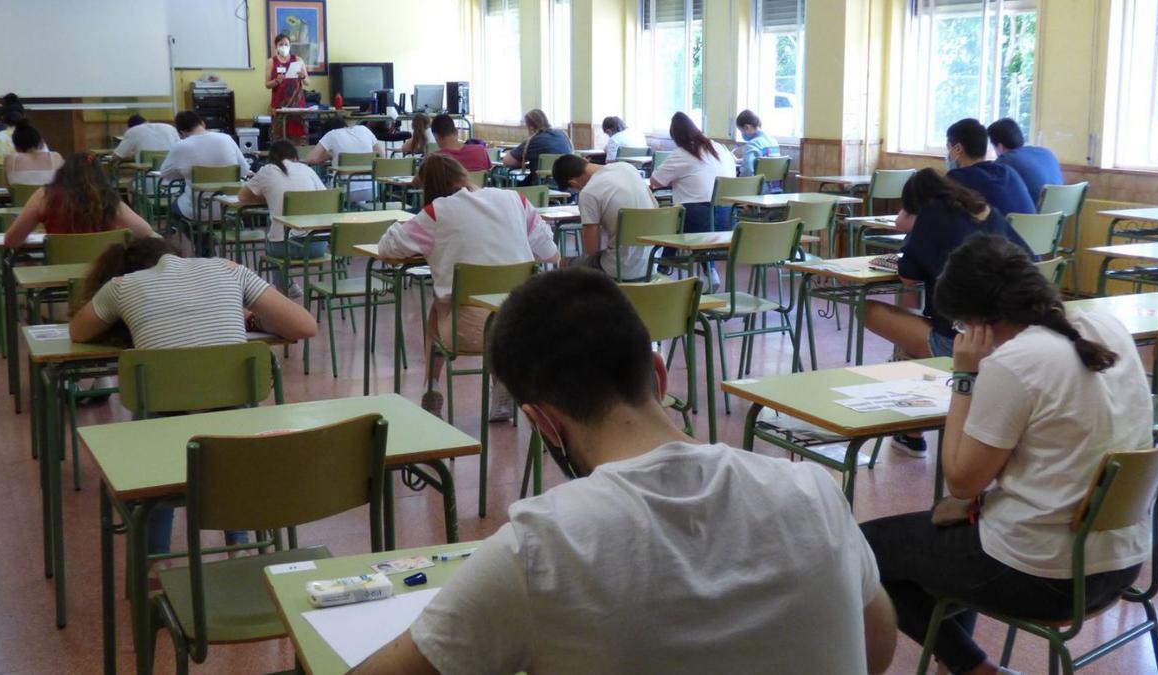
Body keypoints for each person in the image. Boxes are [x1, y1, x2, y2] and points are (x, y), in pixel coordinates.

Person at [351, 268, 897, 675]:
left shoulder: (538, 550)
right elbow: (877, 643)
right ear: (657, 373)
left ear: (541, 422)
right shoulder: (813, 491)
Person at [861, 234, 1151, 675]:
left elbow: (961, 480)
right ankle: (960, 665)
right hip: (1125, 560)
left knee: (865, 549)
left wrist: (964, 375)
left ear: (977, 321)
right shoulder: (1103, 326)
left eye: (960, 326)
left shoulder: (1012, 363)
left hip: (1046, 575)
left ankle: (975, 668)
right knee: (955, 528)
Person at [69, 237, 316, 555]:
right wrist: (248, 316)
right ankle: (238, 546)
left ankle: (154, 563)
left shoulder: (120, 286)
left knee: (153, 424)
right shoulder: (228, 269)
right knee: (228, 423)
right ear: (179, 256)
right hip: (237, 431)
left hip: (162, 432)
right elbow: (305, 326)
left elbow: (77, 332)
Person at [863, 168, 1032, 456]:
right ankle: (912, 429)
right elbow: (1031, 259)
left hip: (966, 342)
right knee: (917, 325)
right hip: (1010, 337)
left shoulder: (931, 216)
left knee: (869, 310)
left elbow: (907, 277)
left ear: (914, 204)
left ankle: (911, 429)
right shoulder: (987, 211)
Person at [377, 154, 559, 420]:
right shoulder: (515, 200)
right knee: (500, 303)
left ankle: (431, 384)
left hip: (467, 332)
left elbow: (388, 247)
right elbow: (549, 252)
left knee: (440, 308)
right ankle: (502, 386)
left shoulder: (436, 212)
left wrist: (400, 224)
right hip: (525, 327)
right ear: (463, 175)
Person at [4, 153, 155, 248]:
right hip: (103, 274)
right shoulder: (108, 199)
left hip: (59, 271)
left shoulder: (45, 195)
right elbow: (146, 232)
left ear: (63, 172)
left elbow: (12, 240)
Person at [237, 139, 328, 297]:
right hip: (317, 245)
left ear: (272, 157)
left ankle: (284, 288)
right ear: (295, 157)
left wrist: (268, 197)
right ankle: (288, 287)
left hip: (284, 247)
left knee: (273, 238)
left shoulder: (268, 170)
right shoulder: (307, 170)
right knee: (278, 236)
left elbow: (243, 197)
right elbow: (326, 198)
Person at [552, 153, 658, 279]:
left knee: (565, 263)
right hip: (652, 263)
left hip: (618, 268)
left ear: (574, 183)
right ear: (585, 161)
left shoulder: (588, 193)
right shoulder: (628, 168)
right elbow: (655, 206)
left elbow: (592, 251)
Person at [158, 110, 251, 223]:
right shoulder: (226, 138)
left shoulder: (180, 146)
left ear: (182, 133)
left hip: (197, 208)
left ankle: (199, 239)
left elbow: (165, 173)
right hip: (230, 207)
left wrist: (185, 172)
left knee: (173, 208)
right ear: (203, 123)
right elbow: (244, 170)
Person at [945, 118, 1036, 217]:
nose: (948, 154)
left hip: (997, 232)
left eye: (949, 148)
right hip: (1031, 231)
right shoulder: (1007, 171)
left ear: (958, 149)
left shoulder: (956, 179)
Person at [987, 117, 1064, 204]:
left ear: (1000, 146)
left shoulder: (1005, 161)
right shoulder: (1045, 152)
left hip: (1030, 215)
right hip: (1059, 213)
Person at [501, 109, 572, 186]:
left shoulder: (534, 140)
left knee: (508, 183)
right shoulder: (562, 135)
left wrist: (524, 163)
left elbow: (507, 161)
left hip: (541, 186)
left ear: (531, 127)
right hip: (566, 184)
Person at [266, 33, 309, 145]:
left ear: (290, 46)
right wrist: (276, 81)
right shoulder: (271, 62)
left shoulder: (298, 59)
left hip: (297, 106)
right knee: (279, 138)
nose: (284, 46)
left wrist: (302, 76)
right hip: (279, 106)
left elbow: (307, 82)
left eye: (286, 44)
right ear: (276, 47)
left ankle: (297, 160)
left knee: (298, 137)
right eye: (281, 44)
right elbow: (267, 84)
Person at [304, 116, 383, 166]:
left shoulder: (331, 134)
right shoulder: (364, 129)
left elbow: (310, 159)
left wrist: (330, 155)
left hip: (343, 187)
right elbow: (381, 155)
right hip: (371, 187)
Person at [3, 119, 63, 186]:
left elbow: (8, 188)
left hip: (22, 196)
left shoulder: (10, 159)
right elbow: (63, 185)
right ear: (41, 142)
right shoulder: (55, 157)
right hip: (49, 196)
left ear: (16, 147)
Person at [111, 113, 180, 164]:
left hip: (146, 178)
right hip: (173, 179)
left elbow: (116, 156)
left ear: (131, 127)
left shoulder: (133, 131)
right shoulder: (169, 128)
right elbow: (180, 149)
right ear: (147, 121)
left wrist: (132, 155)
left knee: (129, 183)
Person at [734, 109, 781, 177]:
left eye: (741, 130)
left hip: (758, 186)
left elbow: (747, 171)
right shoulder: (774, 141)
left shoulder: (752, 145)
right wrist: (738, 161)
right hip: (774, 186)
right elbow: (763, 161)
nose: (742, 134)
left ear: (747, 127)